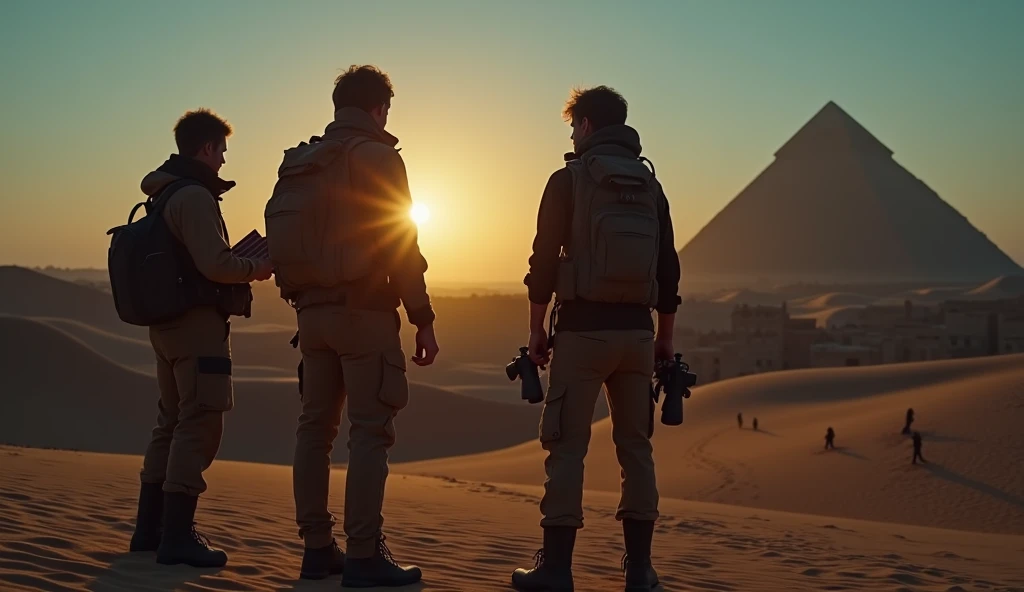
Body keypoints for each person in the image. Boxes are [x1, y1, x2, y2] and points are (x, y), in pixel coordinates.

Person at [268, 65, 437, 587]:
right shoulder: (378, 157)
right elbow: (400, 243)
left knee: (314, 432)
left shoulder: (303, 161)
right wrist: (422, 319)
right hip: (363, 315)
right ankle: (363, 556)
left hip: (310, 317)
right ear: (379, 108)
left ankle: (317, 549)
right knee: (369, 434)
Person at [512, 86, 681, 592]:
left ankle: (557, 570)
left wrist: (536, 328)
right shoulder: (651, 186)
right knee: (636, 449)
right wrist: (663, 339)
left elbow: (543, 260)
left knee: (566, 448)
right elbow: (669, 271)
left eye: (572, 126)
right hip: (637, 333)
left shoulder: (568, 179)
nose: (570, 134)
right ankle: (640, 570)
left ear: (585, 125)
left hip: (582, 334)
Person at [129, 109, 274, 567]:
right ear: (206, 148)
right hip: (196, 326)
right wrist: (258, 267)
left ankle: (148, 532)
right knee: (200, 421)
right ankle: (176, 537)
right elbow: (215, 265)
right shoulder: (192, 196)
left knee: (171, 420)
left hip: (168, 325)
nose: (224, 162)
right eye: (222, 152)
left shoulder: (165, 191)